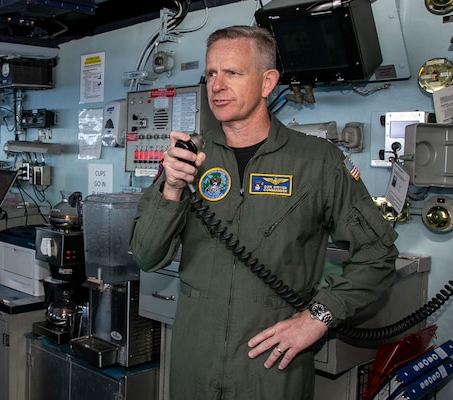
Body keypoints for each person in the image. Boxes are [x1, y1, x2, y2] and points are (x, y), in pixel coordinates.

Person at [129, 25, 399, 400]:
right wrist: (172, 187)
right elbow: (146, 255)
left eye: (233, 73)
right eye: (211, 74)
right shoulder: (190, 158)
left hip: (271, 367)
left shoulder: (316, 162)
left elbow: (378, 254)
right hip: (196, 358)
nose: (217, 86)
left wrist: (318, 317)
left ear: (268, 81)